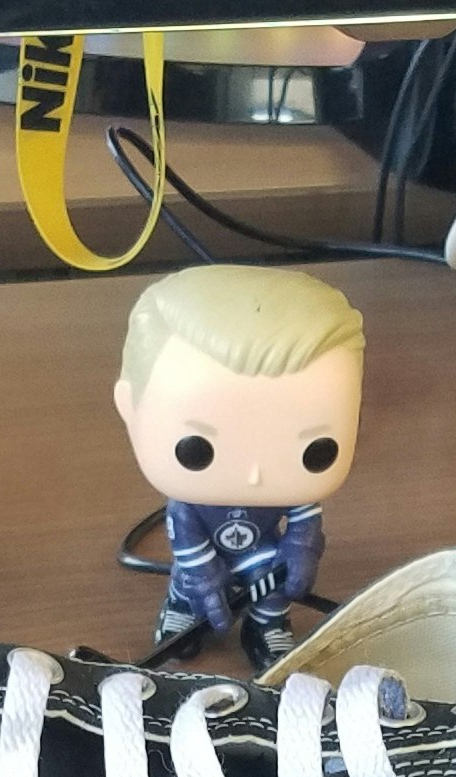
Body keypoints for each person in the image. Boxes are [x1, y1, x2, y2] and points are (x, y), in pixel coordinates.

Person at [114, 266, 365, 664]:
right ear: (130, 409)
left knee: (273, 585)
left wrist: (300, 549)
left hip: (261, 552)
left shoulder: (294, 495)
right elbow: (185, 529)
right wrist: (202, 572)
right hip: (202, 556)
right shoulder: (188, 504)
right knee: (188, 583)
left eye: (315, 449)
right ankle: (182, 611)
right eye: (196, 449)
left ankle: (267, 624)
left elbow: (304, 520)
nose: (254, 475)